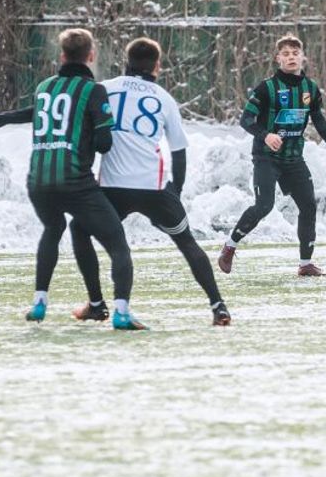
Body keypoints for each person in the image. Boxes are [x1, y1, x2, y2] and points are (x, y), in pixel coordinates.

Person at [0, 28, 143, 330]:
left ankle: (40, 301)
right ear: (91, 56)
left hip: (38, 181)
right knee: (118, 244)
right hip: (76, 182)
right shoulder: (94, 91)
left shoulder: (45, 87)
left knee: (53, 229)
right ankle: (121, 311)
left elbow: (39, 110)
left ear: (63, 56)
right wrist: (97, 129)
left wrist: (2, 118)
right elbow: (104, 143)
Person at [60, 38, 232, 326]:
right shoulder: (163, 98)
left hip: (113, 188)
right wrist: (175, 192)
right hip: (154, 188)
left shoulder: (104, 88)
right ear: (157, 66)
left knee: (79, 228)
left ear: (126, 63)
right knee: (186, 242)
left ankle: (97, 304)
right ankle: (218, 306)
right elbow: (178, 151)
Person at [218, 34, 326, 277]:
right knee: (264, 205)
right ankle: (229, 247)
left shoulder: (310, 88)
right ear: (278, 58)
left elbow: (318, 119)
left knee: (308, 206)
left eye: (295, 53)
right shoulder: (266, 88)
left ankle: (305, 264)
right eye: (286, 54)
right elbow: (246, 120)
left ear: (302, 57)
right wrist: (265, 135)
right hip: (266, 157)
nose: (291, 57)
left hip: (294, 158)